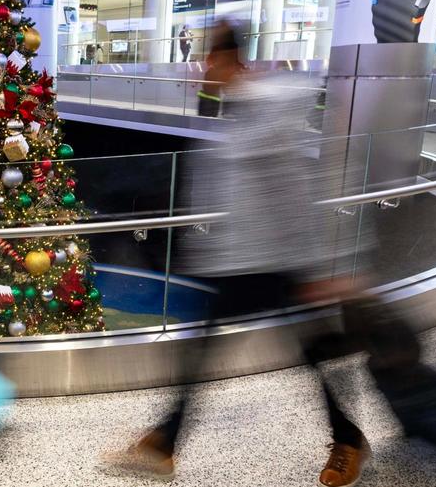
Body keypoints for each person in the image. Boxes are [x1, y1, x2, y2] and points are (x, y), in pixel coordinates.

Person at [101, 70, 369, 485]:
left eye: (209, 59)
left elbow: (298, 195)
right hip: (241, 265)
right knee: (205, 355)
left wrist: (320, 267)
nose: (200, 72)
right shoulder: (238, 116)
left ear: (229, 60)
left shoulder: (272, 113)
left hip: (282, 265)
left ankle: (349, 441)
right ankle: (163, 444)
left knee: (317, 355)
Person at [195, 23, 244, 118]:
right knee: (215, 96)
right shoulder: (226, 46)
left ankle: (221, 115)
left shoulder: (223, 46)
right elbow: (210, 59)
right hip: (221, 76)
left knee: (220, 96)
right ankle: (221, 115)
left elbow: (210, 59)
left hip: (222, 75)